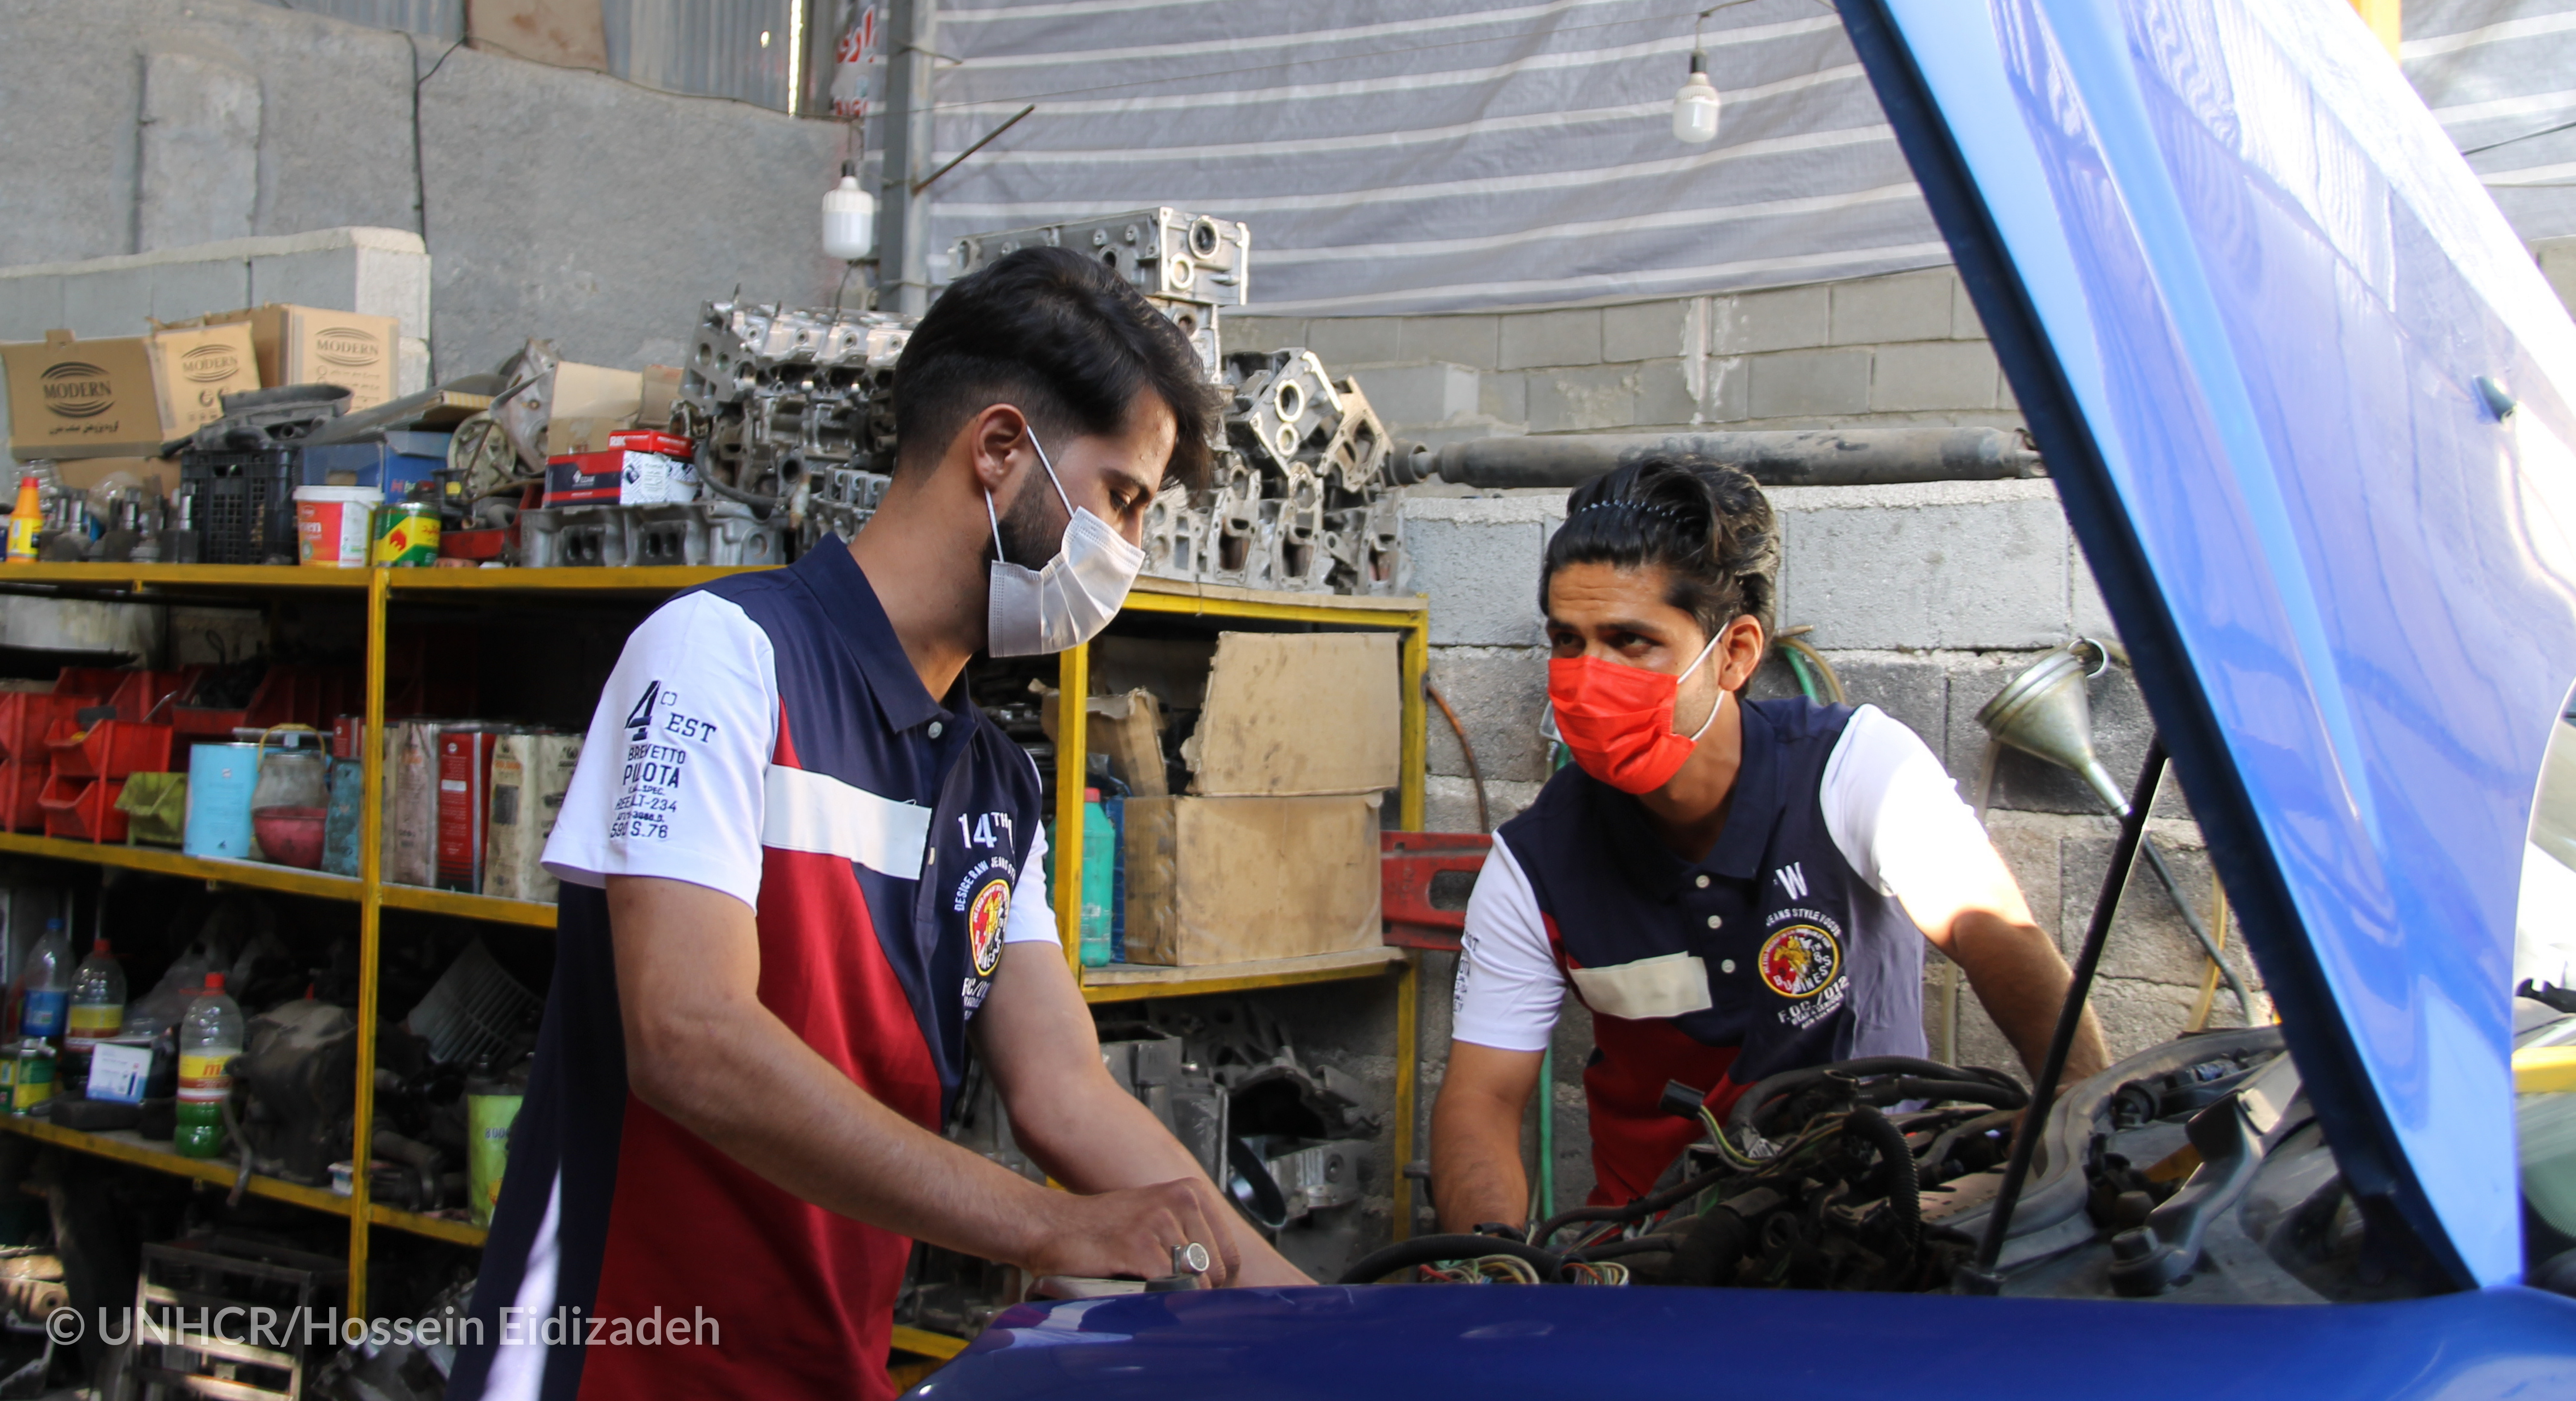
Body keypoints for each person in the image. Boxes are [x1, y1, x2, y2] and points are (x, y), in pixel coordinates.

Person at [449, 248, 1308, 1401]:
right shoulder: (725, 659)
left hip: (821, 1367)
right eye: (1124, 499)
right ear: (1000, 452)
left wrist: (1316, 1319)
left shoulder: (994, 785)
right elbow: (689, 1038)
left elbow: (1065, 1095)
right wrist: (1047, 1230)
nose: (1132, 553)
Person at [1428, 456, 2105, 1231]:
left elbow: (1998, 936)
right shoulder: (1534, 866)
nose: (1589, 676)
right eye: (1567, 641)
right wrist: (1489, 1259)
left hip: (1874, 1217)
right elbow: (1483, 1095)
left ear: (1737, 653)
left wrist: (2080, 1103)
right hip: (1659, 1251)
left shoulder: (1857, 771)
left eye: (1631, 641)